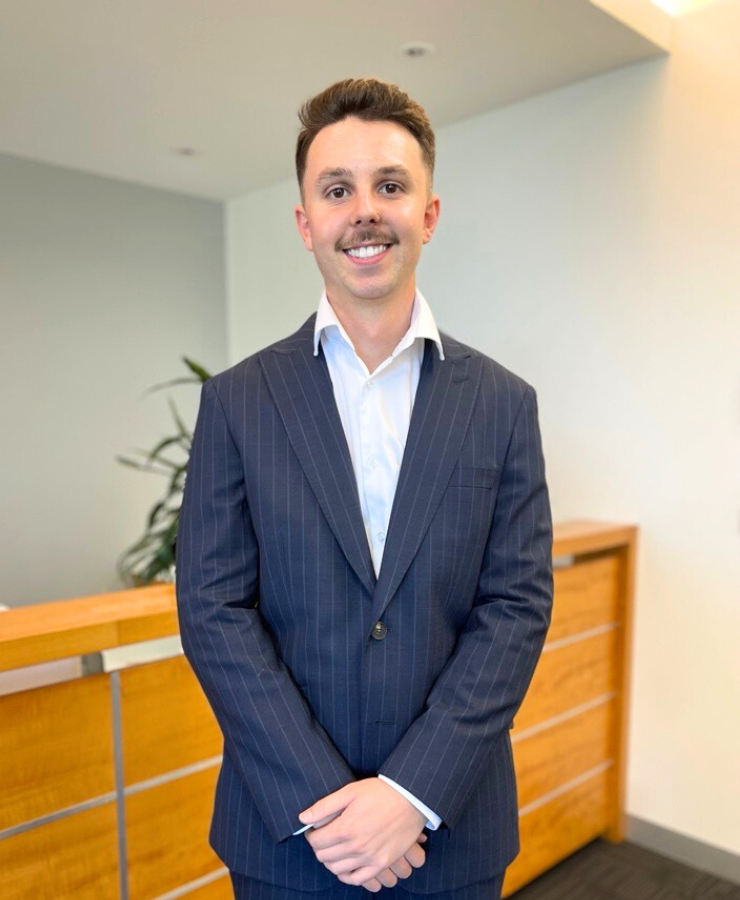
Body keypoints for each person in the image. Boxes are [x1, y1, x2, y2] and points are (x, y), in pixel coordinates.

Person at [176, 77, 553, 900]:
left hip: (450, 828)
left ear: (429, 213)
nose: (365, 211)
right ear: (306, 222)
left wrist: (410, 796)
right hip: (287, 833)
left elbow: (516, 607)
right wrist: (328, 806)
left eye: (391, 185)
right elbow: (212, 608)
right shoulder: (237, 401)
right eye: (337, 189)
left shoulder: (503, 404)